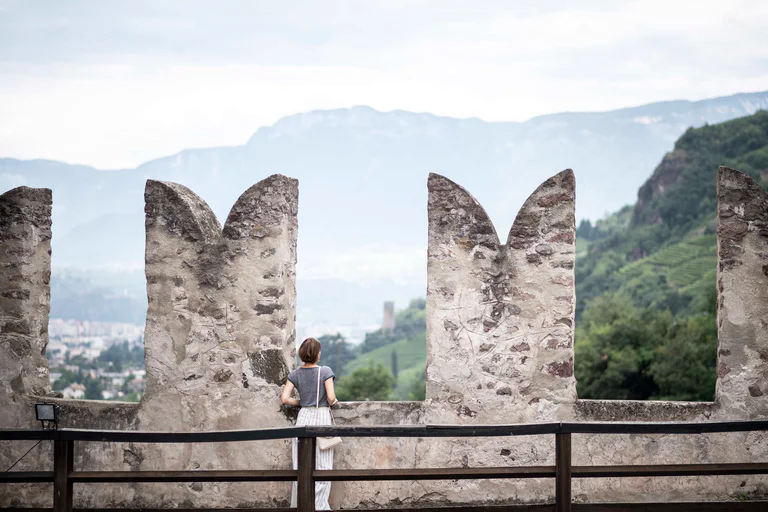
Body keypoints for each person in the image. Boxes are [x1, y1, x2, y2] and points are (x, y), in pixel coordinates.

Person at [281, 337, 339, 510]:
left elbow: (284, 399)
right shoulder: (325, 370)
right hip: (321, 417)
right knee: (322, 466)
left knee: (301, 465)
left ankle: (303, 505)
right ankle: (319, 507)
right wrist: (334, 400)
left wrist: (302, 402)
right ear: (317, 354)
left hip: (303, 417)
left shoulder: (295, 374)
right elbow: (330, 398)